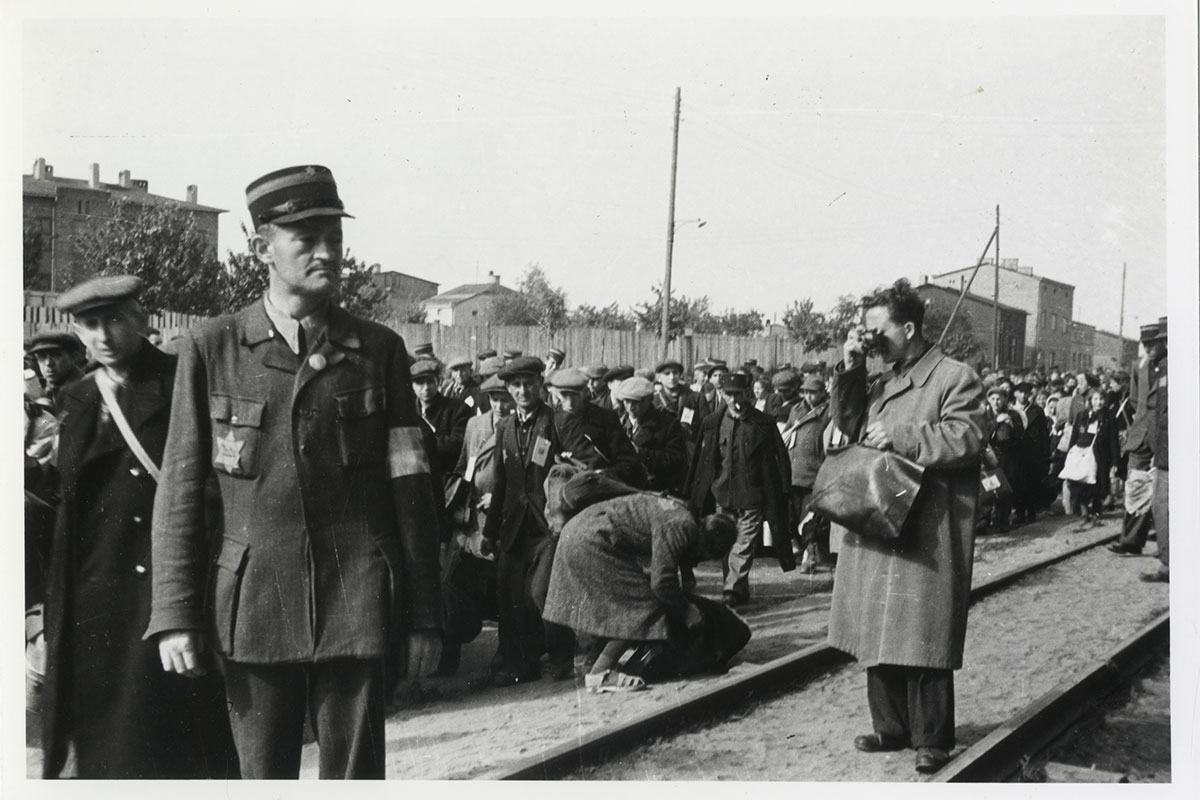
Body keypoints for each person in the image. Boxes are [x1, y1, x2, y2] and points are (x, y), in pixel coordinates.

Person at [146, 166, 444, 779]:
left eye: (334, 235)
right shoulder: (213, 349)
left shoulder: (380, 352)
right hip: (252, 605)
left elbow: (411, 495)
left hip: (357, 599)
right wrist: (174, 613)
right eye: (306, 238)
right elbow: (179, 492)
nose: (328, 251)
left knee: (356, 779)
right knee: (262, 778)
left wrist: (424, 615)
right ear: (262, 248)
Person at [42, 275, 238, 778]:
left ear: (142, 319)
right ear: (78, 334)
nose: (104, 334)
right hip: (96, 599)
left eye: (115, 319)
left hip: (163, 593)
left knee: (178, 747)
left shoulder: (182, 383)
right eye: (90, 325)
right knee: (108, 750)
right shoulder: (78, 399)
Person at [826, 279, 986, 775]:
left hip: (928, 523)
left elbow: (968, 436)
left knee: (923, 628)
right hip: (882, 517)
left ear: (910, 328)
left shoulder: (953, 376)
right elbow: (848, 425)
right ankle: (891, 727)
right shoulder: (882, 379)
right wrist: (851, 366)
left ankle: (933, 738)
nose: (872, 340)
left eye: (879, 331)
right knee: (879, 621)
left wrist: (901, 435)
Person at [541, 467, 748, 693]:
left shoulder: (679, 512)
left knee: (620, 602)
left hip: (580, 535)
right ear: (707, 547)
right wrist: (687, 610)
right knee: (642, 605)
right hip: (592, 542)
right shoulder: (682, 526)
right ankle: (600, 673)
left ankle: (594, 660)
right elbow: (662, 582)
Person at [481, 356, 598, 684]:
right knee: (508, 596)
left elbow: (591, 468)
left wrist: (567, 477)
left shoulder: (558, 422)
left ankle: (562, 657)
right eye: (515, 385)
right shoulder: (504, 427)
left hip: (550, 527)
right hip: (514, 527)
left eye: (529, 383)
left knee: (542, 592)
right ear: (507, 388)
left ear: (540, 384)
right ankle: (519, 664)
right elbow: (500, 484)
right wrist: (490, 532)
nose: (522, 391)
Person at [685, 371, 795, 607]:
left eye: (739, 395)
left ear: (746, 393)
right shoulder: (712, 423)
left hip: (752, 497)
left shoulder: (763, 423)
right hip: (721, 497)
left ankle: (731, 590)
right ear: (722, 394)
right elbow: (701, 462)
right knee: (726, 545)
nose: (735, 401)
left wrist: (784, 489)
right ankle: (737, 588)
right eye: (729, 395)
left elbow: (781, 458)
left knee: (743, 546)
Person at [437, 374, 513, 676]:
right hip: (469, 522)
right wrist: (458, 496)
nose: (501, 406)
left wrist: (500, 498)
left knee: (504, 591)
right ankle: (448, 657)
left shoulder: (521, 427)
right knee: (455, 585)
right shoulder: (475, 425)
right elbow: (462, 467)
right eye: (495, 399)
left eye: (505, 399)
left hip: (502, 519)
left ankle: (505, 657)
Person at [1108, 322, 1161, 557]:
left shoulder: (1173, 365)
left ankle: (1165, 540)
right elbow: (1132, 400)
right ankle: (1130, 541)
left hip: (1164, 435)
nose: (1149, 349)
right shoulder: (1138, 366)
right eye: (1145, 344)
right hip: (1140, 436)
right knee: (1135, 487)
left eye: (1153, 344)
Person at [548, 367, 645, 487]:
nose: (570, 401)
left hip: (605, 484)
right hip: (570, 485)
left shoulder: (606, 418)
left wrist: (603, 473)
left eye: (575, 395)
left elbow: (629, 462)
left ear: (584, 391)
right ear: (556, 393)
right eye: (564, 394)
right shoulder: (553, 422)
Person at [781, 374, 831, 569]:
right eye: (806, 392)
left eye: (813, 393)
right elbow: (786, 433)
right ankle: (797, 547)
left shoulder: (827, 412)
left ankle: (809, 554)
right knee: (791, 516)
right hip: (794, 470)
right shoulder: (796, 409)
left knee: (810, 517)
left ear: (822, 393)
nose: (809, 397)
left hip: (814, 471)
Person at [615, 375, 688, 494]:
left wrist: (639, 452)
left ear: (649, 399)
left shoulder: (668, 424)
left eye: (636, 402)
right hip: (623, 488)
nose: (630, 407)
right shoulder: (619, 422)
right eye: (627, 401)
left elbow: (675, 460)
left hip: (655, 491)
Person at [1065, 389, 1119, 529]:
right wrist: (1070, 454)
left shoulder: (1109, 417)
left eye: (1101, 399)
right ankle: (1084, 513)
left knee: (1097, 486)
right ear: (1090, 400)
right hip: (1082, 455)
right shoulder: (1082, 416)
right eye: (1095, 399)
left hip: (1100, 456)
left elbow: (1113, 441)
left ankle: (1096, 513)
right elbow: (1074, 436)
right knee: (1079, 484)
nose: (1098, 402)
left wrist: (1115, 461)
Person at [1140, 317, 1169, 582]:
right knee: (1162, 506)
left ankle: (1171, 564)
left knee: (1166, 506)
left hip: (1172, 450)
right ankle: (1168, 562)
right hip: (1163, 449)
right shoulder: (1161, 368)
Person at [413, 358, 473, 480]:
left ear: (439, 382)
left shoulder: (458, 409)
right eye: (420, 383)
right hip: (417, 478)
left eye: (430, 382)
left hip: (446, 479)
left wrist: (418, 444)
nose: (426, 388)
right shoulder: (407, 411)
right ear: (412, 385)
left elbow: (456, 445)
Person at [985, 385, 1023, 532]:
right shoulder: (984, 415)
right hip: (989, 456)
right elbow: (981, 434)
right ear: (988, 400)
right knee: (990, 489)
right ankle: (988, 520)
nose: (996, 402)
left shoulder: (1013, 415)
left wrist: (1011, 425)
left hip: (1007, 457)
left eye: (999, 399)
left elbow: (1020, 438)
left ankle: (1003, 520)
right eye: (993, 399)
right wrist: (996, 422)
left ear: (1005, 400)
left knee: (1005, 490)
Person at [26, 332, 86, 414]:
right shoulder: (45, 386)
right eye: (42, 356)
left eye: (56, 355)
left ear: (73, 357)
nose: (48, 363)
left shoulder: (81, 390)